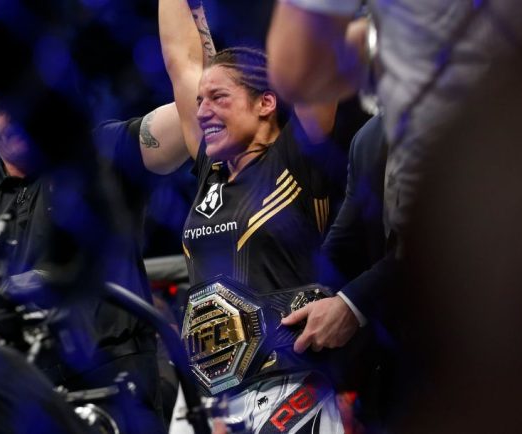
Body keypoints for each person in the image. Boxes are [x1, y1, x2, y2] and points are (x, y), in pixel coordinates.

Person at [266, 0, 522, 352]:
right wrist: (284, 301)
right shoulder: (369, 142)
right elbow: (343, 246)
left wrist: (392, 41)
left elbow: (299, 67)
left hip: (491, 282)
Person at [0, 67, 193, 434]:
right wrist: (9, 288)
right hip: (24, 382)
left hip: (116, 371)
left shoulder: (97, 153)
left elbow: (188, 116)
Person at [157, 0, 343, 431]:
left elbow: (320, 49)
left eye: (218, 98)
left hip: (289, 390)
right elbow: (179, 59)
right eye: (200, 100)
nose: (202, 110)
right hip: (208, 402)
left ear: (265, 103)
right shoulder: (210, 171)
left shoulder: (299, 155)